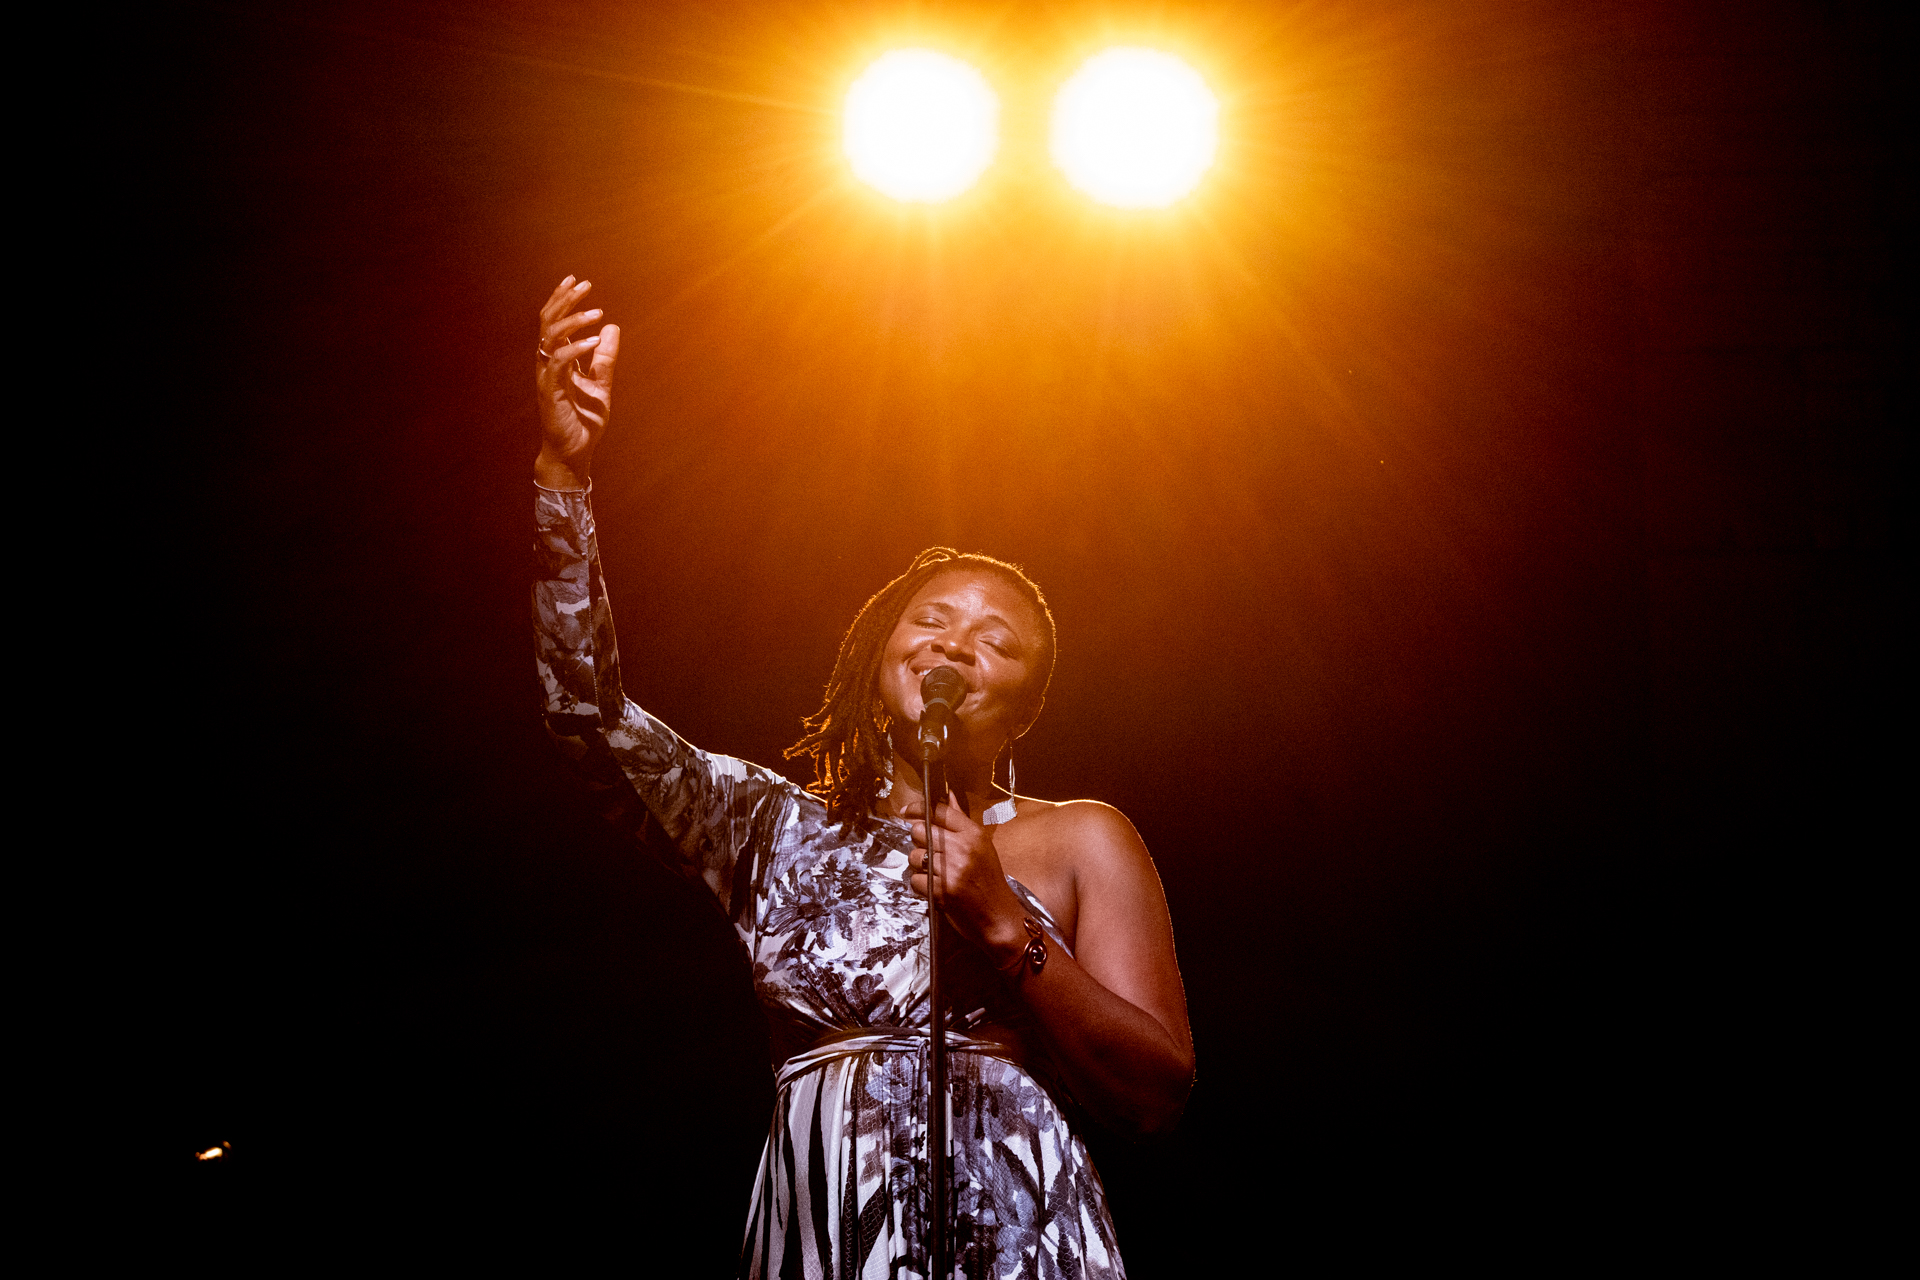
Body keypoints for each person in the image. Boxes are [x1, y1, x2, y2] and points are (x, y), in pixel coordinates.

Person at [531, 276, 1194, 1279]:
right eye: (931, 619)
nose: (955, 644)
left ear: (1020, 709)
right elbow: (585, 716)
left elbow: (1157, 1088)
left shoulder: (1082, 835)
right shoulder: (767, 826)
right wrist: (562, 475)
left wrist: (1006, 925)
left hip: (1018, 1235)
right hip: (823, 1225)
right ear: (878, 654)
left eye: (995, 642)